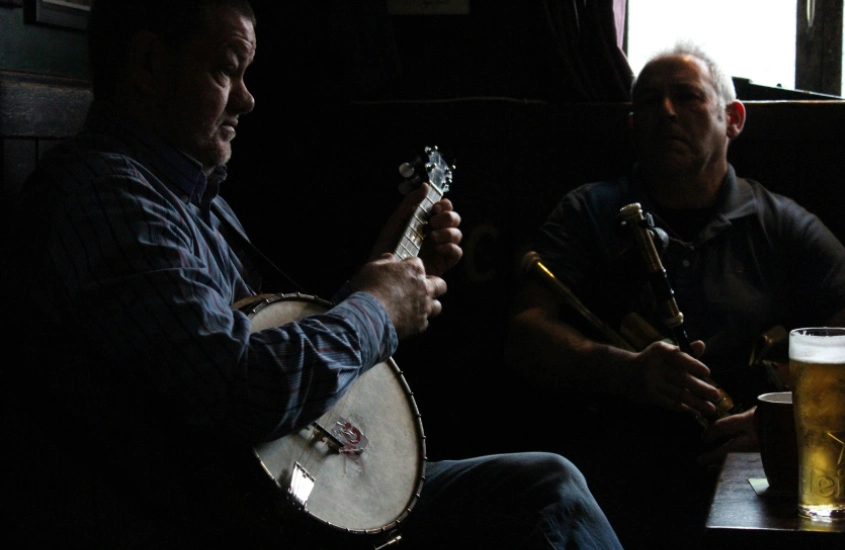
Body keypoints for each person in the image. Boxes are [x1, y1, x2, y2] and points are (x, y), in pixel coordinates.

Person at [3, 1, 624, 549]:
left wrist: (381, 277)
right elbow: (242, 386)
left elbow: (259, 338)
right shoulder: (103, 200)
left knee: (546, 483)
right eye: (227, 68)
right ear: (145, 63)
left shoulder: (196, 198)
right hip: (210, 519)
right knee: (545, 492)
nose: (248, 98)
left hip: (270, 496)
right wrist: (377, 309)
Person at [504, 41, 845, 549]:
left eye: (687, 97)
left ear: (733, 119)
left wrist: (783, 424)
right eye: (647, 102)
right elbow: (524, 333)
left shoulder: (787, 228)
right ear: (632, 126)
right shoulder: (586, 214)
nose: (666, 112)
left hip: (748, 477)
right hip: (609, 474)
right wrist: (623, 370)